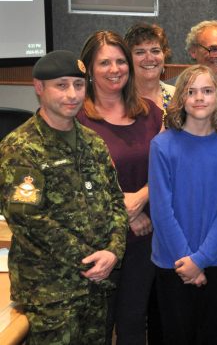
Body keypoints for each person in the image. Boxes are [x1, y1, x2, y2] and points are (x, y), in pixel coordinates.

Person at [0, 50, 128, 344]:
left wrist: (113, 251)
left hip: (95, 288)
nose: (72, 94)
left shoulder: (93, 142)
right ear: (39, 88)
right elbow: (27, 218)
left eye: (78, 85)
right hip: (50, 293)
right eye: (61, 85)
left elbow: (115, 202)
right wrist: (89, 261)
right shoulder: (22, 146)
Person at [77, 30, 163, 345]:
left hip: (144, 236)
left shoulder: (151, 113)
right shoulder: (77, 117)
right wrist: (124, 213)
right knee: (97, 325)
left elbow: (166, 170)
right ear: (87, 68)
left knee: (132, 322)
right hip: (94, 238)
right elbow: (74, 182)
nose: (115, 69)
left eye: (120, 61)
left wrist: (141, 198)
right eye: (104, 63)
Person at [149, 64, 217, 344]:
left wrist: (200, 260)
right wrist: (188, 262)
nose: (199, 97)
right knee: (177, 335)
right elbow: (162, 211)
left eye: (207, 91)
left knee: (213, 334)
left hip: (216, 259)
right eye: (191, 91)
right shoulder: (162, 145)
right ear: (181, 99)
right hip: (172, 261)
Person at [124, 22, 175, 113]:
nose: (149, 58)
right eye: (140, 52)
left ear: (164, 55)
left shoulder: (177, 96)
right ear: (128, 58)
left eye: (155, 51)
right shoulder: (118, 98)